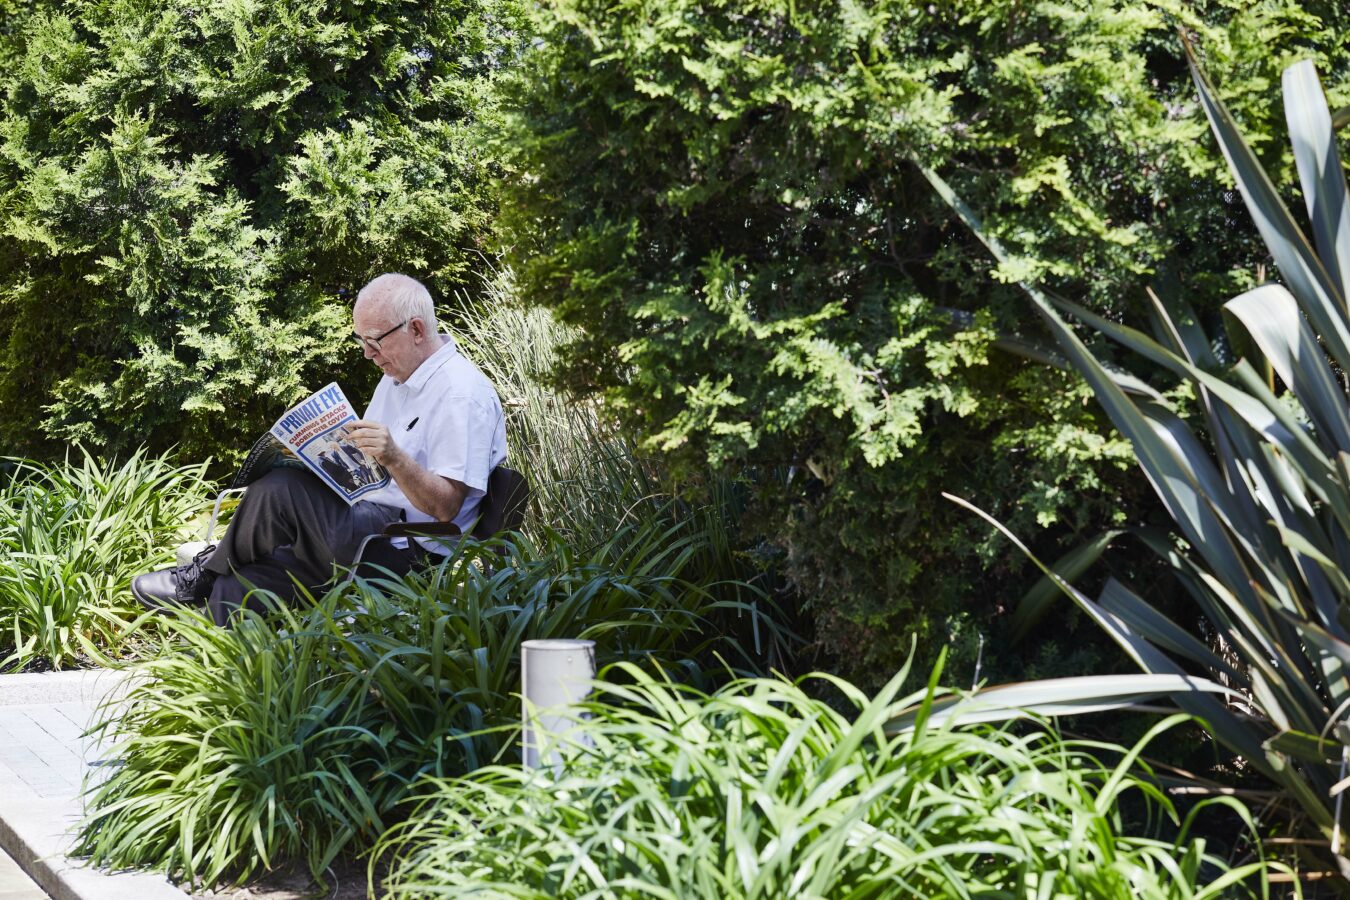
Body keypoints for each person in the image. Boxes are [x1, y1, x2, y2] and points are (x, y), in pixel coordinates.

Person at [131, 273, 509, 625]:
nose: (367, 353)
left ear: (415, 329)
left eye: (374, 340)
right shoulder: (396, 379)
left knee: (280, 489)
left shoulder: (462, 393)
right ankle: (235, 683)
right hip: (364, 525)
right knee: (237, 588)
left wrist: (394, 456)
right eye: (361, 341)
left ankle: (203, 571)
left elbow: (446, 508)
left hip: (405, 549)